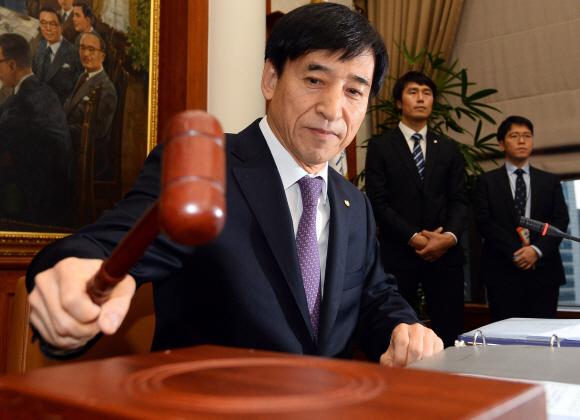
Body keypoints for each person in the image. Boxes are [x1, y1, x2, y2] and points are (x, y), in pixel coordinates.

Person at [26, 2, 442, 367]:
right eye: (315, 80)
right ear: (271, 79)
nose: (333, 109)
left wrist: (403, 330)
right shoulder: (206, 168)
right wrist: (73, 277)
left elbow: (373, 299)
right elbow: (105, 248)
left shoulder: (355, 204)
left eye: (354, 90)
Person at [365, 71, 469, 348]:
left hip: (445, 257)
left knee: (450, 333)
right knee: (397, 333)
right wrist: (414, 237)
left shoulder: (449, 148)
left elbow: (459, 200)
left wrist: (448, 238)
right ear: (399, 102)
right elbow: (377, 201)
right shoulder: (380, 146)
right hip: (399, 255)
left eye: (427, 93)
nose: (421, 98)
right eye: (413, 92)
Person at [474, 116, 569, 322]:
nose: (522, 141)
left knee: (544, 338)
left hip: (544, 272)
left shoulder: (549, 181)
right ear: (501, 144)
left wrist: (535, 251)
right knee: (505, 338)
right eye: (514, 136)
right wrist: (517, 254)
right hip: (502, 271)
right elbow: (484, 222)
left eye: (527, 136)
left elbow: (560, 221)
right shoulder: (486, 181)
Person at [0, 33, 75, 227]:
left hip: (40, 201)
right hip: (58, 191)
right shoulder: (42, 90)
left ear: (11, 65)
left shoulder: (21, 102)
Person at [63, 32, 117, 179]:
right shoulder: (84, 76)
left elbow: (97, 131)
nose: (85, 54)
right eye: (82, 48)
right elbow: (69, 106)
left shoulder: (107, 90)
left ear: (103, 56)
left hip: (88, 158)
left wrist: (62, 131)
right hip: (72, 143)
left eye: (91, 50)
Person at [32, 7, 83, 105]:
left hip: (59, 107)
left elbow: (78, 88)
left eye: (52, 24)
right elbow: (34, 74)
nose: (48, 28)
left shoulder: (74, 53)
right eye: (43, 23)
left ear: (61, 27)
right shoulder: (41, 45)